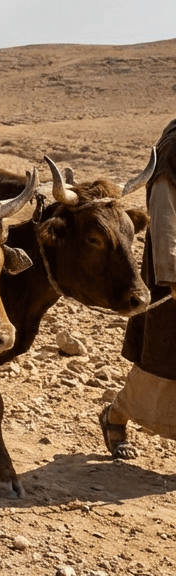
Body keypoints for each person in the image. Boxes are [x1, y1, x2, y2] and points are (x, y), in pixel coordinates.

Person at [100, 118, 176, 459]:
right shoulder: (173, 150)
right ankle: (115, 415)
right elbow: (164, 216)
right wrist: (172, 276)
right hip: (171, 276)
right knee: (160, 366)